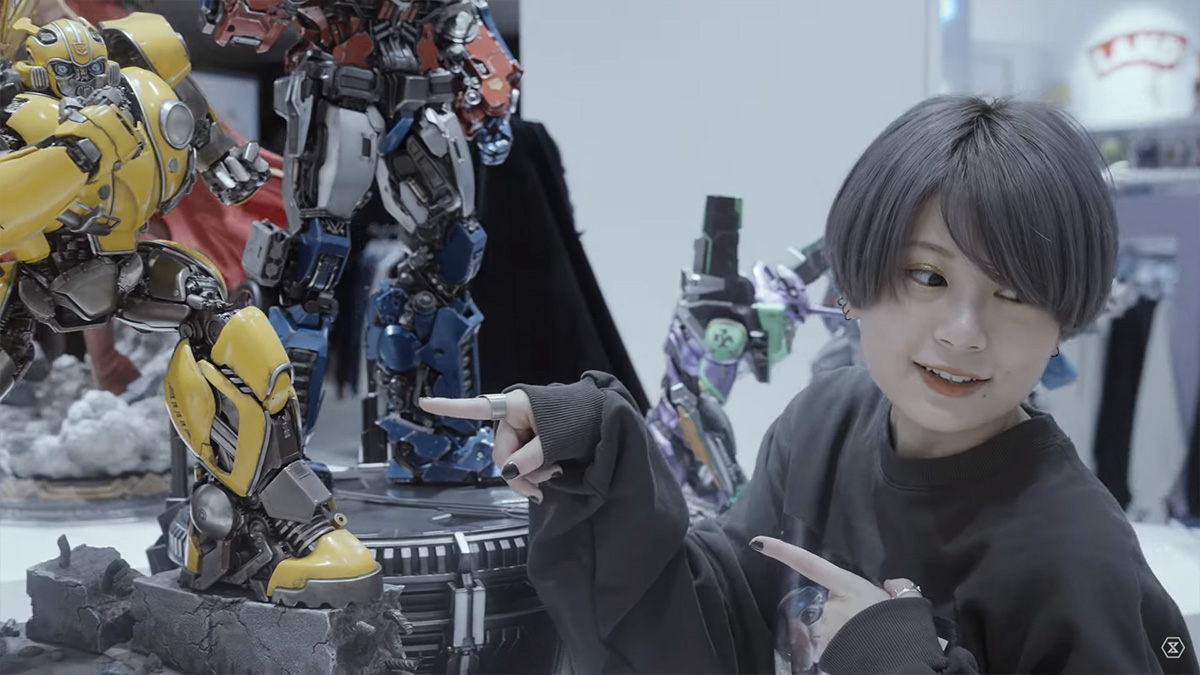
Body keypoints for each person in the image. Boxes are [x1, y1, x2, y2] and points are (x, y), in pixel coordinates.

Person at [420, 95, 1200, 674]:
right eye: (928, 276)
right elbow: (723, 618)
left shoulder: (1076, 556)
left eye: (1015, 291)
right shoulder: (824, 422)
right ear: (853, 287)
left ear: (1065, 317)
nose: (964, 330)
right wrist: (599, 448)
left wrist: (893, 658)